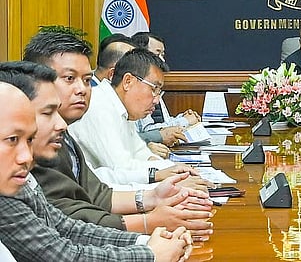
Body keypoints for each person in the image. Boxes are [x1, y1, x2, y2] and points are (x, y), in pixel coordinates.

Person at [0, 61, 213, 240]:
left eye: (87, 80)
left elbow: (92, 197)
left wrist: (153, 196)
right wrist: (148, 227)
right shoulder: (30, 164)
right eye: (69, 78)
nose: (82, 89)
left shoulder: (62, 134)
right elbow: (64, 242)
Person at [23, 31, 204, 188]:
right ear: (128, 81)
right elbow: (118, 168)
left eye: (87, 80)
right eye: (154, 89)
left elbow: (139, 154)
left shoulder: (121, 108)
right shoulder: (98, 107)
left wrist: (174, 170)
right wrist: (160, 179)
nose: (82, 90)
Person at [131, 31, 199, 149]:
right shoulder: (140, 86)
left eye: (163, 55)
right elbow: (148, 131)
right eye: (157, 54)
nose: (162, 60)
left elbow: (162, 122)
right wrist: (184, 121)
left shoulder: (154, 85)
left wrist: (181, 118)